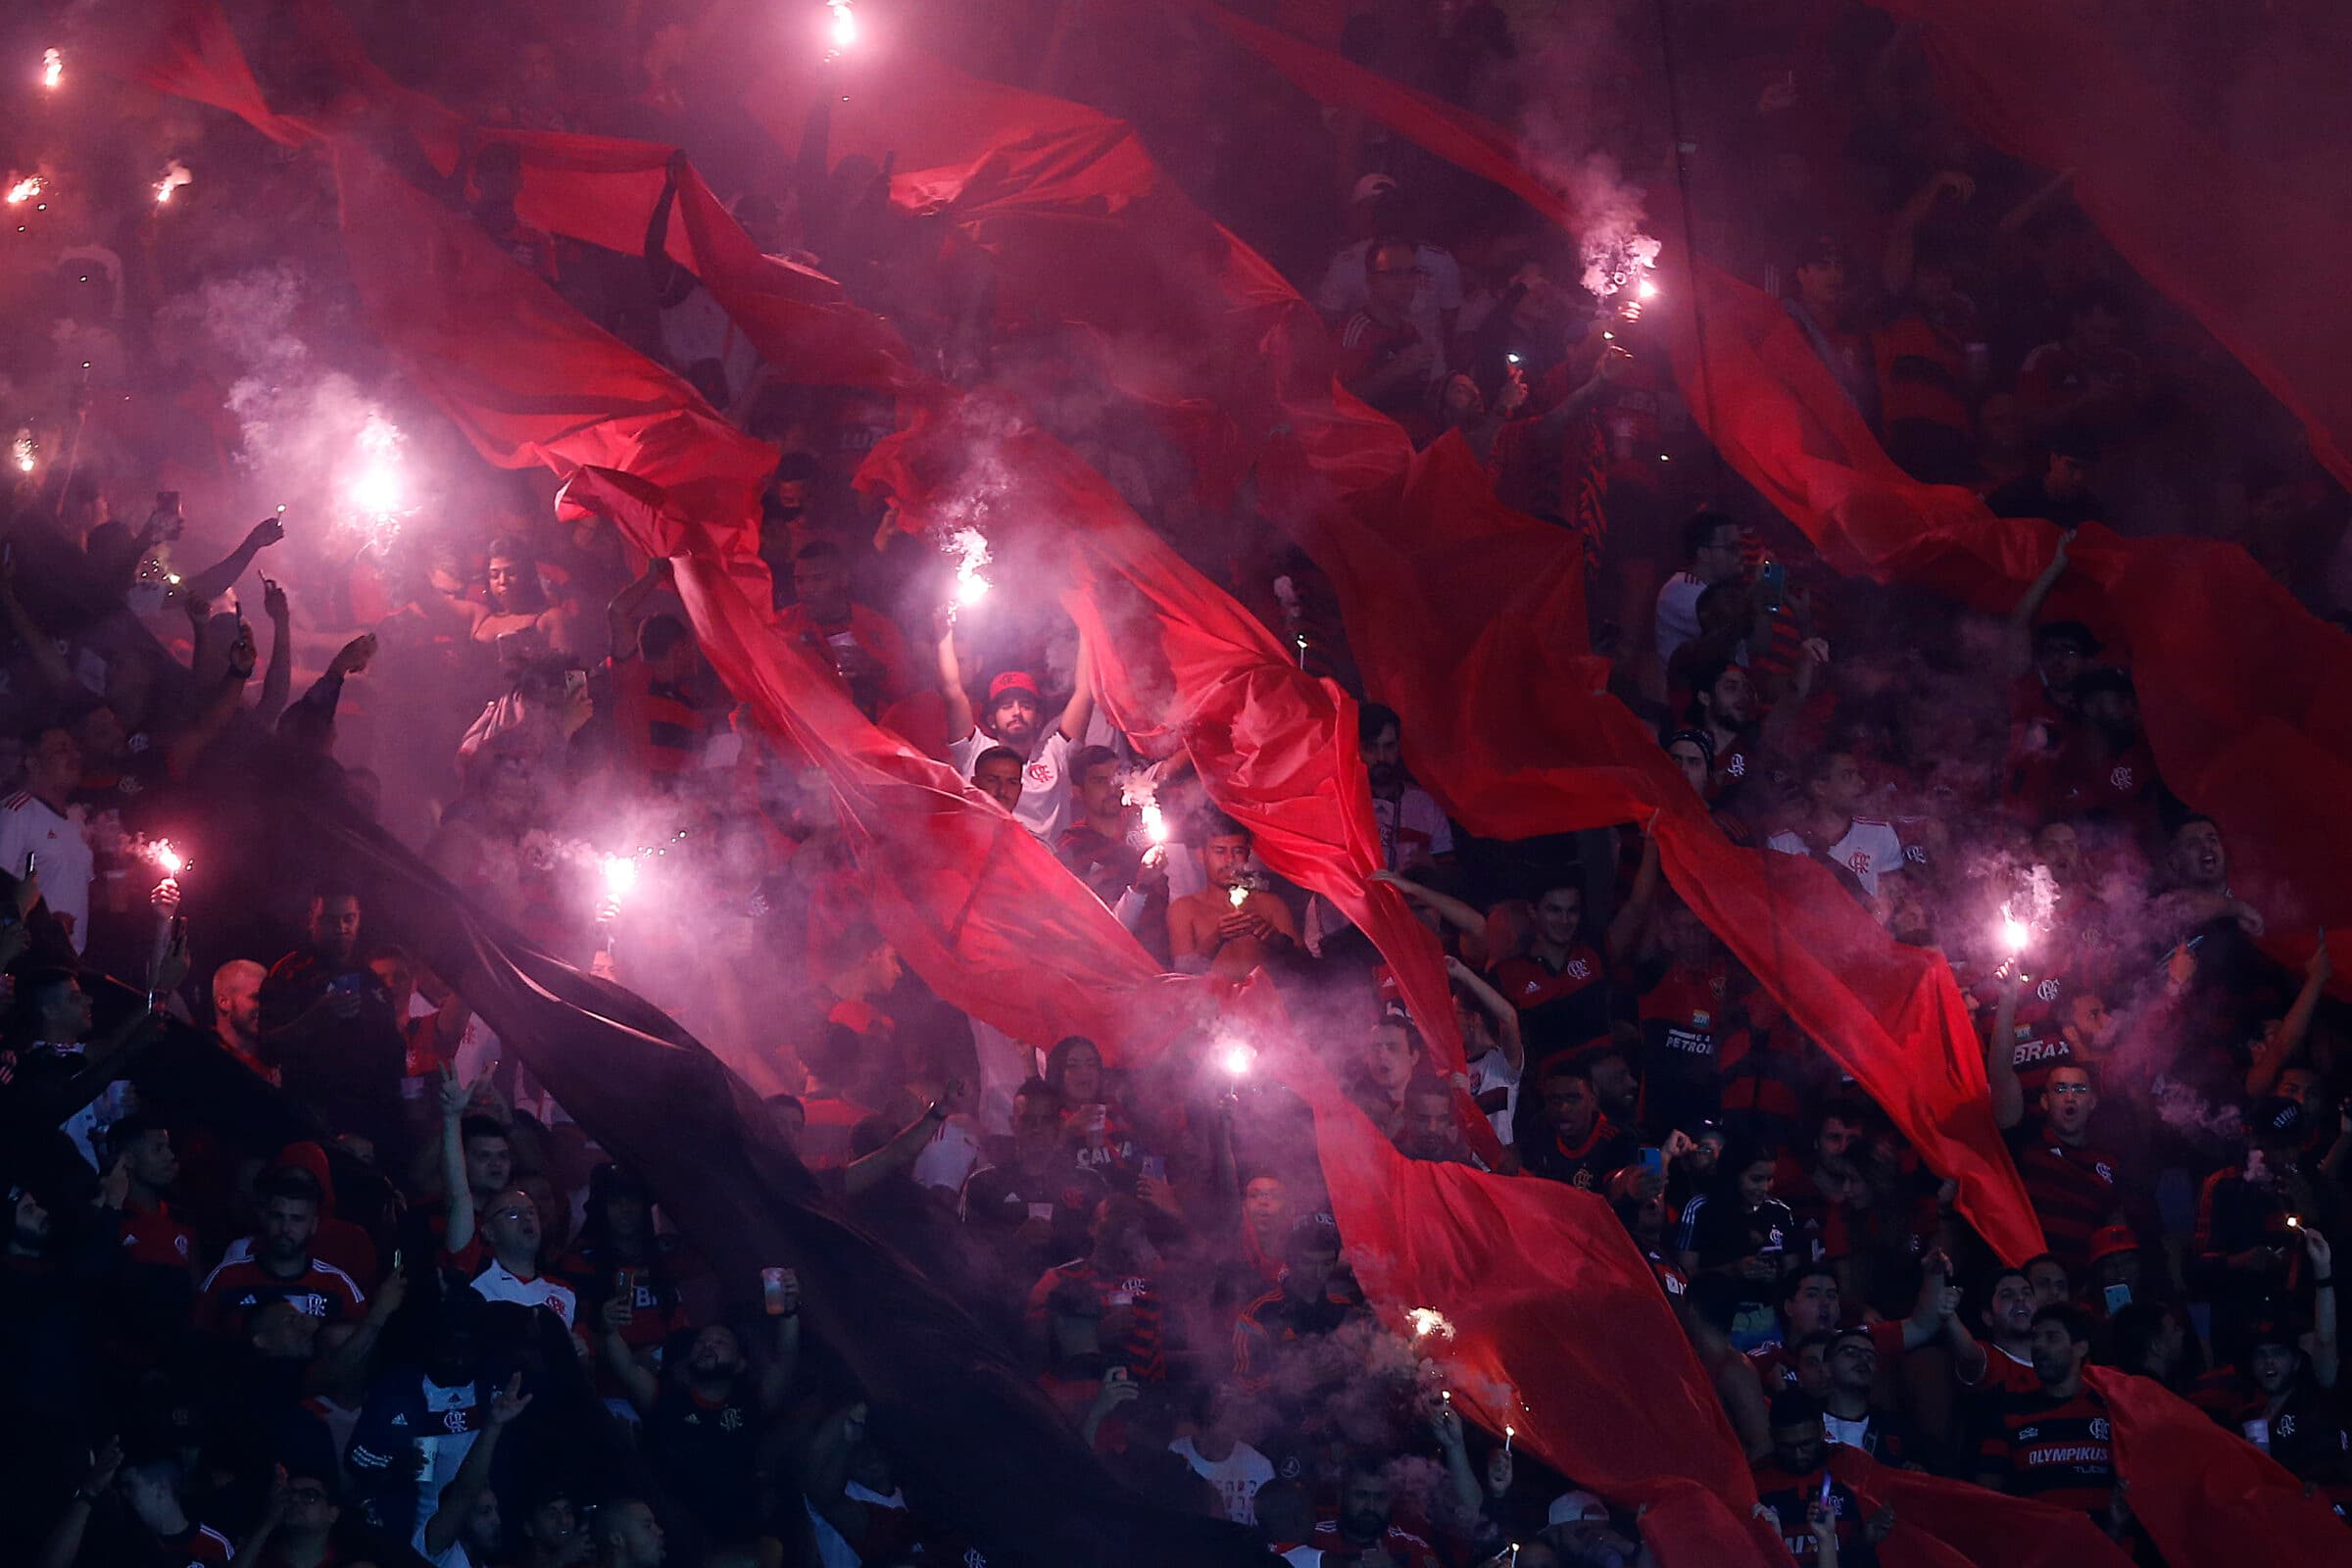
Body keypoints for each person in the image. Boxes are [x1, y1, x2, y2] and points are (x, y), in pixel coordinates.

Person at [259, 887, 408, 1159]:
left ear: (359, 919)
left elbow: (394, 1059)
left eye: (348, 919)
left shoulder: (371, 979)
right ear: (311, 920)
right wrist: (315, 1018)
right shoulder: (289, 975)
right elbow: (266, 1048)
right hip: (309, 1125)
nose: (341, 928)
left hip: (369, 1130)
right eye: (330, 920)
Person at [1973, 1304, 2131, 1535]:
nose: (2038, 1346)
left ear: (2080, 1347)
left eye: (2051, 1337)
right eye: (2035, 1338)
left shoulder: (2111, 1409)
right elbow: (1986, 1496)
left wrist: (2115, 1527)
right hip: (2036, 1548)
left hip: (2108, 1547)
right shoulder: (2010, 1411)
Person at [936, 620, 1095, 842]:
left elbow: (1085, 693)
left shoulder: (1056, 752)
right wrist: (943, 634)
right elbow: (953, 691)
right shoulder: (975, 750)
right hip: (990, 858)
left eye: (1026, 706)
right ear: (991, 720)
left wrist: (1088, 626)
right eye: (1006, 706)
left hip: (1049, 862)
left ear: (1038, 719)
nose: (1017, 712)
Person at [196, 1165, 368, 1335]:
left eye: (296, 1219)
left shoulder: (339, 1286)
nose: (285, 1228)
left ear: (314, 1225)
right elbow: (195, 1341)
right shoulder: (225, 1277)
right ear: (264, 1217)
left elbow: (362, 1346)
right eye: (277, 1216)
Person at [1994, 1062, 2128, 1280]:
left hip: (2087, 1285)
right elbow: (2001, 1077)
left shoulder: (2109, 1161)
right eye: (2060, 1089)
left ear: (2092, 1101)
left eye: (2079, 1089)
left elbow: (2114, 1227)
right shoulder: (2025, 1149)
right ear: (2045, 1101)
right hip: (2031, 1280)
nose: (2070, 1097)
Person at [1026, 1195, 1168, 1382]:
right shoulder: (1058, 1279)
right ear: (1092, 1228)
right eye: (1113, 1215)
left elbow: (1155, 1364)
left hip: (1142, 1395)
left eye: (1129, 1218)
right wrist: (1095, 1338)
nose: (1121, 1225)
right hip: (1077, 1394)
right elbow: (1032, 1354)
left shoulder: (1150, 1287)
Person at [1749, 1394, 1892, 1567]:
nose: (1798, 1455)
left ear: (1822, 1430)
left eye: (1806, 1444)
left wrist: (1865, 1539)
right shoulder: (1756, 1480)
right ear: (1772, 1436)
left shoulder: (1853, 1466)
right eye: (1786, 1446)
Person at [778, 538, 915, 716]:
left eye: (818, 579)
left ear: (843, 579)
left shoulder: (879, 627)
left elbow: (908, 692)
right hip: (804, 723)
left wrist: (877, 671)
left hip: (871, 727)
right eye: (800, 581)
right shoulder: (782, 626)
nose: (807, 589)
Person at [1766, 753, 1916, 901]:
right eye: (1847, 776)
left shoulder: (1879, 833)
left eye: (1858, 775)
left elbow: (1893, 899)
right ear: (1820, 788)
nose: (1861, 783)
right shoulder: (1782, 844)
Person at [1335, 238, 1444, 437]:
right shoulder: (1357, 331)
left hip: (1414, 442)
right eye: (1393, 273)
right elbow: (1339, 402)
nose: (1405, 282)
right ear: (1371, 280)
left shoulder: (1410, 330)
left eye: (1411, 273)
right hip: (1376, 445)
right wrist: (1396, 370)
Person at [1168, 813, 1299, 979]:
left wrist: (1278, 942)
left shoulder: (1271, 905)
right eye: (1220, 851)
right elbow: (1181, 977)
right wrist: (1217, 937)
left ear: (1247, 854)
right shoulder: (1184, 909)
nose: (1230, 860)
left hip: (1267, 994)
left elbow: (1307, 970)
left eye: (1238, 851)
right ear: (1201, 855)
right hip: (1210, 996)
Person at [2, 723, 94, 952]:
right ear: (33, 762)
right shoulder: (17, 813)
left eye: (75, 749)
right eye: (61, 749)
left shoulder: (75, 821)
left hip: (72, 960)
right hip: (27, 960)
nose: (74, 756)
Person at [1492, 883, 1608, 1056]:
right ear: (1533, 911)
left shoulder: (1592, 953)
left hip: (1608, 1066)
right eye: (1554, 910)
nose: (1564, 920)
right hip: (1548, 1071)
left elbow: (1636, 909)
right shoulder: (1507, 974)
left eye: (1572, 911)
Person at [1309, 1452, 1444, 1568]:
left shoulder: (1413, 1548)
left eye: (1381, 1497)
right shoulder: (1313, 1538)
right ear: (1341, 1496)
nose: (1371, 1506)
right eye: (1361, 1495)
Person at [1519, 1056, 1632, 1190]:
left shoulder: (1617, 1139)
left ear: (1592, 1101)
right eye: (1554, 1099)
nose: (1563, 1108)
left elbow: (1618, 1193)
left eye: (1573, 1098)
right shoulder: (1539, 1128)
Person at [1655, 510, 1748, 669]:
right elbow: (1730, 625)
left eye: (1741, 546)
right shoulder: (1678, 591)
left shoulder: (1724, 589)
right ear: (1704, 553)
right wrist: (1757, 592)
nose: (1741, 554)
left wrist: (1768, 593)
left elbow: (1759, 647)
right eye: (1732, 547)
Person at [209, 957, 270, 1081]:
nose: (266, 1006)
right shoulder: (200, 1058)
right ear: (223, 1002)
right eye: (256, 997)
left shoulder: (278, 1061)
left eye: (268, 998)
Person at [971, 744, 1027, 817]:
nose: (1002, 791)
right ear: (974, 784)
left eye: (1012, 783)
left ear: (1020, 789)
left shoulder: (1024, 825)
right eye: (992, 780)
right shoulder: (957, 823)